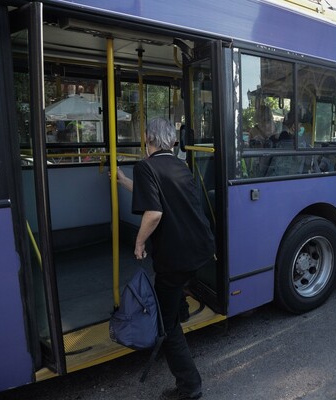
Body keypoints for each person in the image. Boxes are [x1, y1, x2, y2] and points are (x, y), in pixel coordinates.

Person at [120, 118, 215, 400]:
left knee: (166, 324)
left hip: (176, 257)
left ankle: (190, 386)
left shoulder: (146, 166)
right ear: (172, 142)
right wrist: (125, 182)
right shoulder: (180, 165)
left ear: (148, 139)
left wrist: (139, 243)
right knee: (176, 288)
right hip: (200, 248)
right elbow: (158, 197)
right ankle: (181, 307)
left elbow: (154, 212)